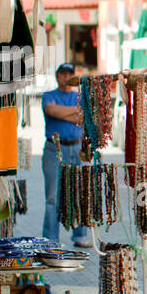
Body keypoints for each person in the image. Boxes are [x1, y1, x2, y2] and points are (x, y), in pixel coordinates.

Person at [41, 63, 91, 247]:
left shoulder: (78, 96)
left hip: (76, 148)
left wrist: (63, 113)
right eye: (63, 74)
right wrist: (74, 113)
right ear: (57, 76)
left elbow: (83, 116)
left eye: (69, 74)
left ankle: (80, 236)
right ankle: (51, 239)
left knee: (79, 192)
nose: (66, 77)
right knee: (53, 196)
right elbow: (51, 110)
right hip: (55, 148)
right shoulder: (49, 95)